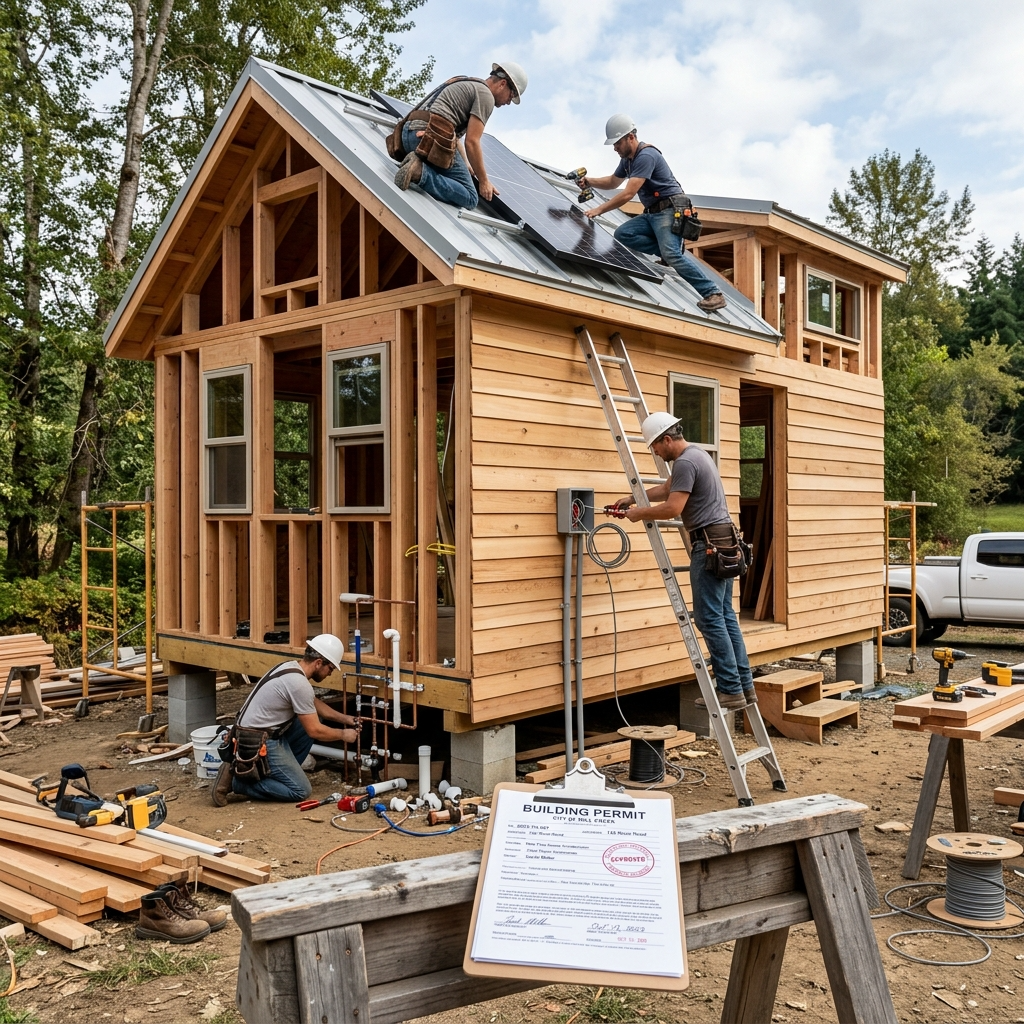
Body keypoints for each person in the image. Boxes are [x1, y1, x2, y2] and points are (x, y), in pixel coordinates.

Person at [612, 412, 754, 710]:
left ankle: (729, 689)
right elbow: (667, 489)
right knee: (725, 616)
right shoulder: (696, 456)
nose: (655, 452)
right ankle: (743, 686)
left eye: (655, 446)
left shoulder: (687, 461)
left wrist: (639, 514)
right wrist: (631, 498)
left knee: (709, 619)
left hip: (709, 546)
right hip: (724, 542)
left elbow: (673, 507)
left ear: (667, 439)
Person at [580, 115, 727, 313]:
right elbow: (613, 182)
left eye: (617, 143)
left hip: (670, 210)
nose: (614, 148)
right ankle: (667, 249)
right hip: (652, 214)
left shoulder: (646, 156)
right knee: (623, 234)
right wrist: (589, 181)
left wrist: (598, 209)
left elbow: (628, 193)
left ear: (630, 137)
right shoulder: (627, 161)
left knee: (672, 254)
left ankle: (713, 293)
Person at [212, 634, 358, 805]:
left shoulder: (290, 668)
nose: (329, 674)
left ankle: (278, 773)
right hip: (258, 740)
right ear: (319, 663)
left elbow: (312, 703)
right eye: (330, 668)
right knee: (300, 790)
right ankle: (239, 783)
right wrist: (343, 734)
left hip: (255, 732)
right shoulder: (299, 684)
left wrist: (346, 719)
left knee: (310, 720)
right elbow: (315, 730)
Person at [392, 60, 528, 209]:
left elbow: (454, 136)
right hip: (427, 141)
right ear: (502, 84)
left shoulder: (467, 82)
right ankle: (418, 171)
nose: (509, 102)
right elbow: (472, 141)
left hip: (408, 135)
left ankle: (415, 164)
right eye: (512, 94)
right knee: (470, 196)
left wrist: (467, 164)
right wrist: (483, 181)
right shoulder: (486, 96)